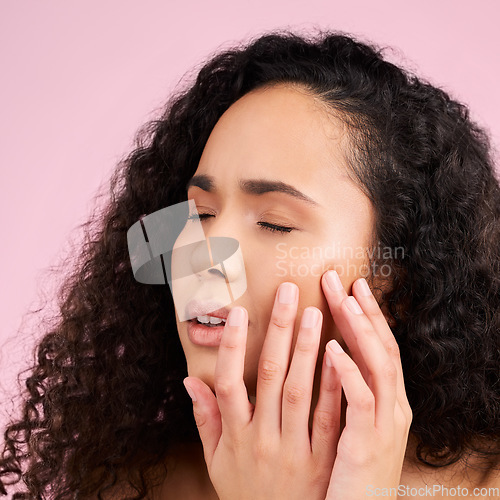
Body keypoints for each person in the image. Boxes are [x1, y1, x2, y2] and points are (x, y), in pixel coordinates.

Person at [0, 29, 499, 499]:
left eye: (276, 224)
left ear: (398, 285)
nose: (201, 252)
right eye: (200, 213)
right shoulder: (131, 484)